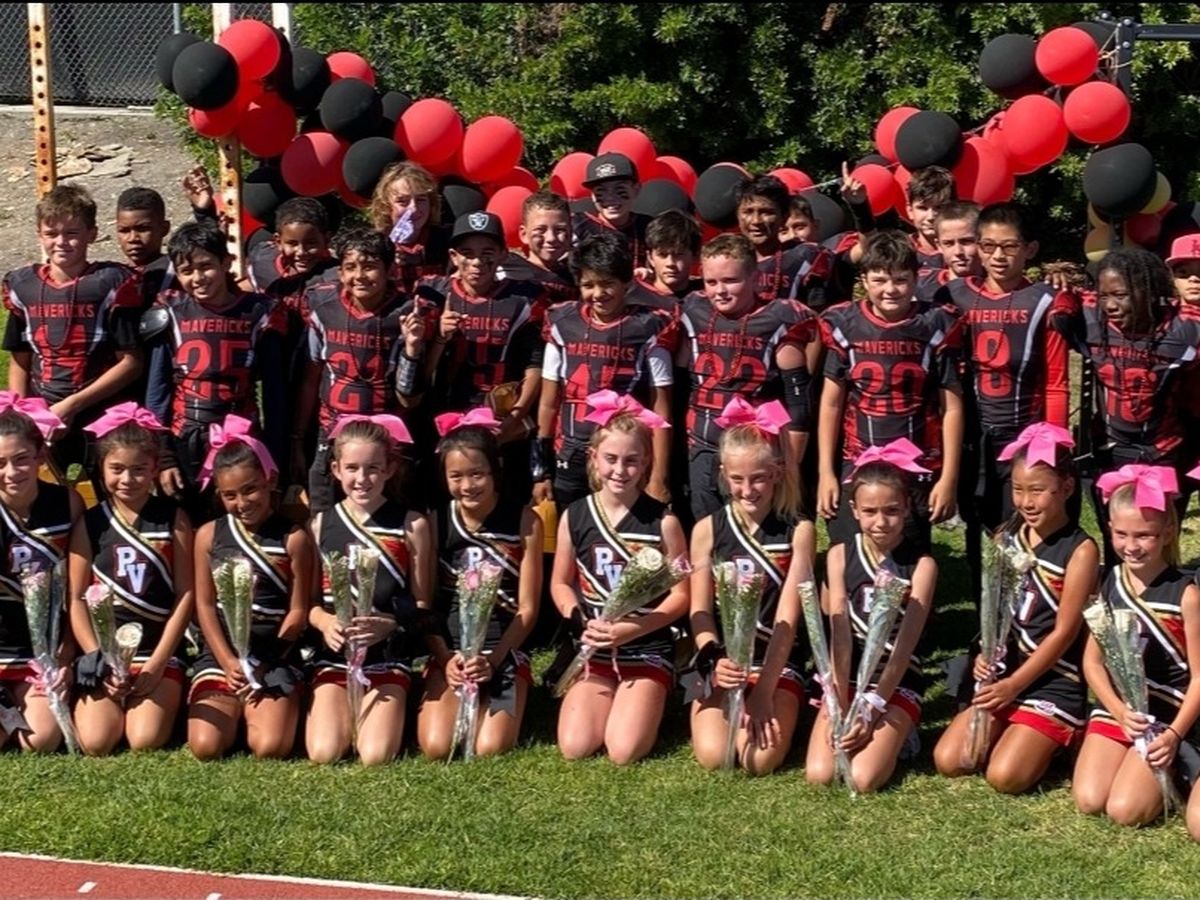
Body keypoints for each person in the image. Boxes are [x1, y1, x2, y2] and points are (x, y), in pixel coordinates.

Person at [933, 423, 1098, 792]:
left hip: (1053, 679)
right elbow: (994, 611)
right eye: (1018, 489)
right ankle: (1016, 730)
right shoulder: (1005, 536)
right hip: (1005, 671)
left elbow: (1065, 633)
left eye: (1038, 491)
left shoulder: (1081, 551)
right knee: (950, 760)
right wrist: (984, 654)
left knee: (1004, 777)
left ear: (1067, 488)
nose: (1026, 502)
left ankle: (1061, 738)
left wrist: (1014, 685)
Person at [939, 203, 1072, 592]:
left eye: (1009, 246)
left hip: (1022, 434)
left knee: (1020, 525)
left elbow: (1057, 381)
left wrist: (1052, 446)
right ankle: (986, 612)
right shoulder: (953, 295)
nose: (998, 256)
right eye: (988, 245)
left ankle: (1027, 609)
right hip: (970, 435)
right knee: (976, 523)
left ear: (1030, 249)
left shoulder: (1046, 300)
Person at [549, 393, 688, 764]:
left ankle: (651, 693)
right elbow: (560, 583)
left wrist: (633, 629)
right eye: (611, 458)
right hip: (593, 644)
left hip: (645, 645)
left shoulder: (664, 522)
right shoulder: (575, 515)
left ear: (646, 463)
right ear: (593, 457)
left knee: (623, 750)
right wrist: (579, 619)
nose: (620, 470)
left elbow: (681, 596)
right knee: (575, 747)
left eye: (631, 461)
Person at [686, 399, 815, 774]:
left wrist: (763, 693)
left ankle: (788, 699)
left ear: (777, 472)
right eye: (737, 479)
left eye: (758, 477)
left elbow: (788, 621)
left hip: (776, 663)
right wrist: (714, 657)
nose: (748, 489)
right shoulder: (707, 529)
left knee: (759, 760)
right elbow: (699, 611)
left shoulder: (799, 531)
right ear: (723, 475)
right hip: (725, 662)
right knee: (714, 756)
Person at [817, 230, 964, 549]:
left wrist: (949, 478)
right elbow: (831, 403)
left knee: (908, 554)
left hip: (917, 457)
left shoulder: (934, 324)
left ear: (915, 279)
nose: (890, 289)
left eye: (900, 280)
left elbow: (951, 407)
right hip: (857, 454)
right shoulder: (845, 323)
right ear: (864, 280)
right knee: (848, 551)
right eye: (880, 280)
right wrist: (826, 471)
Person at [805, 440, 936, 793]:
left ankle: (902, 732)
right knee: (819, 774)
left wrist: (873, 707)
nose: (881, 522)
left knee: (862, 779)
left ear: (907, 508)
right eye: (870, 511)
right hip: (846, 677)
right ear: (854, 510)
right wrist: (840, 700)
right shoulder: (838, 555)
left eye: (891, 510)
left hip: (894, 681)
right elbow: (839, 632)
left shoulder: (922, 566)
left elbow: (904, 647)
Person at [1073, 466, 1200, 827]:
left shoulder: (1186, 595)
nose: (1131, 546)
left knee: (1124, 810)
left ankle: (1178, 762)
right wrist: (1117, 711)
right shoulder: (1109, 581)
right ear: (1109, 528)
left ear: (1168, 532)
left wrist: (1173, 735)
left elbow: (1198, 677)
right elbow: (1092, 662)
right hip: (1121, 709)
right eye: (1121, 534)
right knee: (1089, 799)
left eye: (1144, 535)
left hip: (1168, 713)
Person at [68, 404, 193, 755]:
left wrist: (158, 662)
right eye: (117, 469)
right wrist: (96, 657)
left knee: (144, 739)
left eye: (139, 469)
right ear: (102, 468)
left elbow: (186, 593)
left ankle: (170, 690)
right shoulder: (91, 522)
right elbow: (76, 597)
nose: (127, 479)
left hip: (156, 651)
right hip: (105, 655)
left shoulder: (174, 518)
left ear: (154, 468)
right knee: (96, 742)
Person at [306, 415, 432, 765]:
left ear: (390, 469)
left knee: (375, 755)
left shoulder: (412, 524)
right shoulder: (320, 524)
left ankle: (397, 702)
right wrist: (324, 623)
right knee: (324, 752)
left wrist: (391, 624)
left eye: (373, 468)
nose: (362, 479)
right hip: (335, 655)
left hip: (387, 655)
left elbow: (423, 602)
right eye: (352, 468)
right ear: (335, 469)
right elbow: (309, 604)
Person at [417, 411, 541, 759]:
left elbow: (528, 609)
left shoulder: (525, 520)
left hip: (502, 648)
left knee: (490, 747)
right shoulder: (436, 522)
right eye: (456, 476)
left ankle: (510, 687)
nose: (468, 485)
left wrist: (495, 660)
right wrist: (445, 658)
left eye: (477, 474)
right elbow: (425, 604)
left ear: (495, 470)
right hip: (452, 650)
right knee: (437, 746)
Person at [144, 221, 287, 522]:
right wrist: (164, 456)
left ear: (226, 262)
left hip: (241, 439)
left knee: (241, 520)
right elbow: (157, 392)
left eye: (206, 266)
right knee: (187, 523)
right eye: (186, 271)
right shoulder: (171, 310)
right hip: (184, 437)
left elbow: (275, 394)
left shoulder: (260, 312)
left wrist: (274, 453)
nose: (197, 278)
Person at [186, 416, 311, 760]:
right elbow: (204, 606)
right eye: (230, 495)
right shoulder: (208, 535)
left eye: (250, 489)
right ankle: (234, 709)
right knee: (205, 746)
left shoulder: (294, 538)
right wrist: (228, 661)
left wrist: (266, 661)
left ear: (270, 480)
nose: (242, 502)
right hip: (221, 654)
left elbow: (298, 611)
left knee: (271, 746)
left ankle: (264, 710)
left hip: (273, 653)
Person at [1063, 247, 1200, 559]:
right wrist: (1060, 288)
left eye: (1121, 295)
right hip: (1109, 450)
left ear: (1148, 293)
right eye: (1104, 295)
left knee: (1157, 542)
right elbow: (1058, 301)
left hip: (1163, 451)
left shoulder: (1186, 328)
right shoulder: (1088, 317)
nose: (1110, 305)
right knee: (1117, 539)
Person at [2, 183, 143, 474]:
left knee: (112, 488)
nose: (61, 242)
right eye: (51, 233)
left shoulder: (111, 282)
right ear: (39, 234)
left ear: (92, 234)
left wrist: (72, 404)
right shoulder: (23, 285)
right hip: (42, 412)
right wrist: (27, 414)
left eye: (72, 233)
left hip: (100, 412)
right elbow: (20, 361)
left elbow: (131, 363)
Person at [676, 234, 815, 524]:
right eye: (711, 282)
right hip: (702, 443)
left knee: (757, 530)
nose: (720, 291)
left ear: (754, 277)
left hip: (755, 453)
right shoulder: (693, 309)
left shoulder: (777, 318)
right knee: (707, 528)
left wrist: (791, 466)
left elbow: (799, 402)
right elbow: (679, 382)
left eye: (731, 280)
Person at [534, 232, 676, 510]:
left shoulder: (649, 326)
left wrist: (658, 477)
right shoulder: (562, 321)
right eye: (588, 285)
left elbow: (661, 409)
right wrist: (541, 470)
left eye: (607, 283)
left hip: (624, 453)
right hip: (571, 448)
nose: (598, 294)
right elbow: (549, 402)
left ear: (627, 283)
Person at [292, 228, 424, 514]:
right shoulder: (324, 309)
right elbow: (311, 378)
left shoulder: (405, 313)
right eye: (350, 267)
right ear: (340, 272)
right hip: (332, 431)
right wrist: (299, 438)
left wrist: (412, 349)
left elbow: (409, 397)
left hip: (385, 436)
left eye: (370, 266)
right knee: (324, 515)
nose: (359, 276)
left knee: (391, 518)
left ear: (389, 270)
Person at [416, 211, 548, 481]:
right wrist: (440, 336)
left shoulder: (523, 299)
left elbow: (535, 364)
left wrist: (515, 417)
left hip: (502, 417)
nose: (477, 262)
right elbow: (418, 375)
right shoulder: (435, 293)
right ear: (454, 257)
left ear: (503, 254)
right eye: (468, 253)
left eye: (487, 253)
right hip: (447, 415)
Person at [0, 397, 80, 752]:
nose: (11, 472)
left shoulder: (67, 503)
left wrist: (65, 656)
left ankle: (19, 706)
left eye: (21, 459)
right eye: (0, 463)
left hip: (44, 650)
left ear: (40, 456)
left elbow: (78, 589)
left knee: (41, 740)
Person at [734, 175, 832, 305]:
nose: (756, 221)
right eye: (748, 212)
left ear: (784, 217)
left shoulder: (805, 258)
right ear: (737, 215)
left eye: (766, 212)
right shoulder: (724, 260)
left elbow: (820, 312)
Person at [369, 161, 450, 294]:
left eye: (421, 200)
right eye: (402, 201)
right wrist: (386, 267)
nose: (413, 208)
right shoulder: (375, 245)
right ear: (385, 206)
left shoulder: (445, 240)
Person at [573, 153, 651, 268]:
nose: (610, 198)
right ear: (592, 195)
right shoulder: (578, 227)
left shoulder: (649, 228)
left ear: (636, 189)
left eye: (619, 189)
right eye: (601, 190)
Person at [496, 191, 575, 303]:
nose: (551, 238)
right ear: (524, 234)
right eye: (540, 230)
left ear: (570, 232)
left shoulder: (580, 276)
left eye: (560, 230)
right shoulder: (506, 274)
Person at [632, 210, 701, 308]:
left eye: (678, 254)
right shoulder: (635, 299)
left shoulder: (707, 296)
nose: (670, 263)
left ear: (695, 256)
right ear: (650, 258)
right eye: (662, 255)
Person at [114, 187, 174, 300]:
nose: (133, 238)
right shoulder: (111, 278)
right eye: (124, 231)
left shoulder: (177, 271)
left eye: (143, 229)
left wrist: (202, 212)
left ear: (164, 228)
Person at [914, 201, 981, 302]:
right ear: (939, 246)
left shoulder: (1001, 287)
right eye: (949, 243)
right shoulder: (921, 287)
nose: (958, 252)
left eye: (966, 242)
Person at [905, 166, 956, 270]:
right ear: (910, 211)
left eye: (939, 207)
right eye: (922, 208)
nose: (931, 216)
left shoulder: (966, 250)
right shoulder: (900, 250)